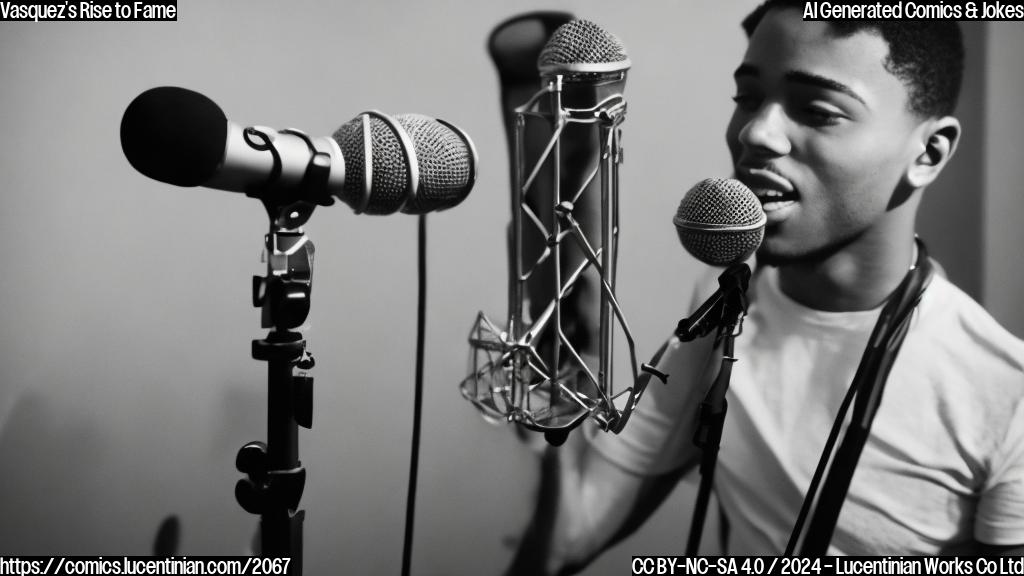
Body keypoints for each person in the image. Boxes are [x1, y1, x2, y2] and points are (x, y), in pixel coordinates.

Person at [506, 2, 1024, 572]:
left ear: (928, 153)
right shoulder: (723, 307)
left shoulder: (1006, 395)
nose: (756, 132)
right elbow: (566, 538)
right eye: (748, 99)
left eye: (818, 110)